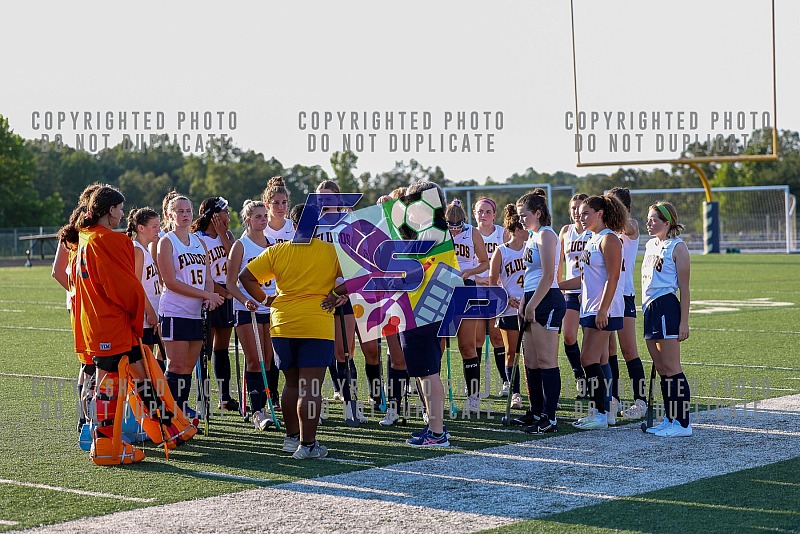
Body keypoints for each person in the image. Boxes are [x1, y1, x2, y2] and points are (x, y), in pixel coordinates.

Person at [74, 185, 196, 465]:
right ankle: (104, 444)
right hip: (111, 323)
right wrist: (138, 313)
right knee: (109, 384)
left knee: (143, 378)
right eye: (119, 208)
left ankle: (168, 428)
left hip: (101, 322)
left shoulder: (87, 236)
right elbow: (124, 287)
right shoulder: (107, 240)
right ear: (110, 210)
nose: (122, 213)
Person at [241, 203, 343, 459]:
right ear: (317, 226)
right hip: (316, 321)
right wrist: (334, 294)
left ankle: (291, 438)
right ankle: (307, 445)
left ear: (293, 224)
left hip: (283, 321)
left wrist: (266, 301)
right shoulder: (331, 251)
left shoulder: (279, 250)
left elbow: (246, 277)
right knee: (310, 386)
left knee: (292, 384)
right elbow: (358, 278)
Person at [560, 194, 627, 430]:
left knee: (587, 359)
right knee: (598, 359)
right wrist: (556, 285)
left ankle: (600, 413)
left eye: (587, 212)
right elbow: (584, 277)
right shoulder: (592, 238)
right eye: (581, 213)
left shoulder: (609, 239)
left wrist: (603, 309)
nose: (581, 216)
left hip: (602, 308)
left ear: (600, 214)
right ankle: (605, 411)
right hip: (589, 305)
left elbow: (614, 276)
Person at [157, 195, 224, 419]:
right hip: (175, 311)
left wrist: (207, 297)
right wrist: (207, 294)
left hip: (196, 313)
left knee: (188, 366)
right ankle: (168, 412)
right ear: (169, 215)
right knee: (175, 366)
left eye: (188, 211)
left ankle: (180, 408)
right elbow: (171, 282)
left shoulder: (199, 242)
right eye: (180, 211)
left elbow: (207, 275)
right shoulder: (166, 241)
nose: (185, 215)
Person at [315, 180, 371, 423]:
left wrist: (345, 293)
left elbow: (360, 262)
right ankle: (314, 405)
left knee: (345, 351)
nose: (324, 202)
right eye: (320, 198)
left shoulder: (350, 223)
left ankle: (352, 404)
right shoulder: (312, 225)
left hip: (345, 293)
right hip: (318, 294)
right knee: (321, 351)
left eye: (328, 197)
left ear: (338, 200)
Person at [515, 190, 566, 434]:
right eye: (519, 216)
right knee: (531, 360)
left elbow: (548, 276)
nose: (521, 220)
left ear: (538, 213)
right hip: (533, 297)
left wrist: (532, 304)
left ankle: (550, 417)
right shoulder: (532, 237)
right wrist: (525, 302)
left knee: (546, 360)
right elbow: (531, 276)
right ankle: (536, 411)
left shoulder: (546, 235)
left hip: (547, 300)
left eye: (524, 215)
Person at [641, 201, 692, 437]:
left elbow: (685, 288)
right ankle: (670, 418)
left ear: (667, 222)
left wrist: (684, 322)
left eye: (653, 219)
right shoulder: (651, 244)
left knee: (672, 368)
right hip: (650, 308)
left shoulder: (678, 248)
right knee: (662, 368)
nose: (649, 223)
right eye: (648, 219)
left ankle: (682, 423)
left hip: (666, 306)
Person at [227, 199, 278, 430]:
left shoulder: (273, 244)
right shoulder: (241, 245)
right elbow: (230, 283)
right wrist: (245, 299)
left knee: (268, 359)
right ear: (248, 219)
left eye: (264, 216)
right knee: (255, 360)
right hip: (248, 310)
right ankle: (257, 411)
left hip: (270, 307)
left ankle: (267, 405)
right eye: (258, 216)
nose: (263, 220)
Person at [191, 197, 239, 412]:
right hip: (210, 293)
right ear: (214, 215)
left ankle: (225, 396)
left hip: (227, 294)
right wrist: (221, 292)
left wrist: (222, 234)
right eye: (225, 212)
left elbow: (234, 259)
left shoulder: (226, 236)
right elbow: (203, 274)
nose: (228, 216)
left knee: (222, 348)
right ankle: (203, 397)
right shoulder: (197, 239)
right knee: (205, 349)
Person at [446, 198, 490, 413]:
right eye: (450, 228)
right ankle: (433, 396)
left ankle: (473, 396)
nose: (454, 232)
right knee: (438, 345)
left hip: (466, 287)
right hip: (443, 288)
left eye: (457, 228)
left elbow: (484, 261)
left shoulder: (472, 232)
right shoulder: (439, 232)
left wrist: (470, 272)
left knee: (467, 345)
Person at [607, 187, 648, 420]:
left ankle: (640, 400)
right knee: (609, 350)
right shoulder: (604, 232)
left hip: (624, 295)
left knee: (628, 349)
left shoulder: (629, 228)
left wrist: (614, 212)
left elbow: (627, 226)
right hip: (606, 296)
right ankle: (613, 398)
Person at [488, 204, 527, 412]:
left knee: (532, 353)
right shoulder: (501, 252)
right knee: (511, 352)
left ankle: (538, 393)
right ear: (517, 230)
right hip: (509, 309)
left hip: (530, 307)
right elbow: (493, 284)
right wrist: (508, 297)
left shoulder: (531, 249)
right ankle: (515, 393)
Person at [472, 197, 510, 397]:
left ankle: (506, 381)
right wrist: (478, 278)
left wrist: (494, 280)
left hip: (497, 290)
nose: (484, 215)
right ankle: (475, 387)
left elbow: (509, 259)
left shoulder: (502, 234)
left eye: (488, 212)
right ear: (474, 214)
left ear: (495, 214)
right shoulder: (470, 233)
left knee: (497, 336)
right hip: (477, 290)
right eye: (480, 211)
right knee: (476, 338)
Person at [557, 193, 590, 399]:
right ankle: (580, 377)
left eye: (579, 208)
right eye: (572, 208)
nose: (576, 212)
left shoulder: (593, 232)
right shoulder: (566, 231)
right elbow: (557, 261)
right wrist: (557, 285)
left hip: (590, 291)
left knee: (590, 341)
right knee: (569, 337)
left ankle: (596, 382)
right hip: (570, 290)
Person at [126, 208, 162, 357]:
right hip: (145, 316)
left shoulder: (145, 249)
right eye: (154, 226)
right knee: (145, 361)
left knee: (156, 358)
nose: (158, 230)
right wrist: (150, 312)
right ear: (141, 228)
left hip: (152, 312)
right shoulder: (137, 250)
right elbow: (136, 285)